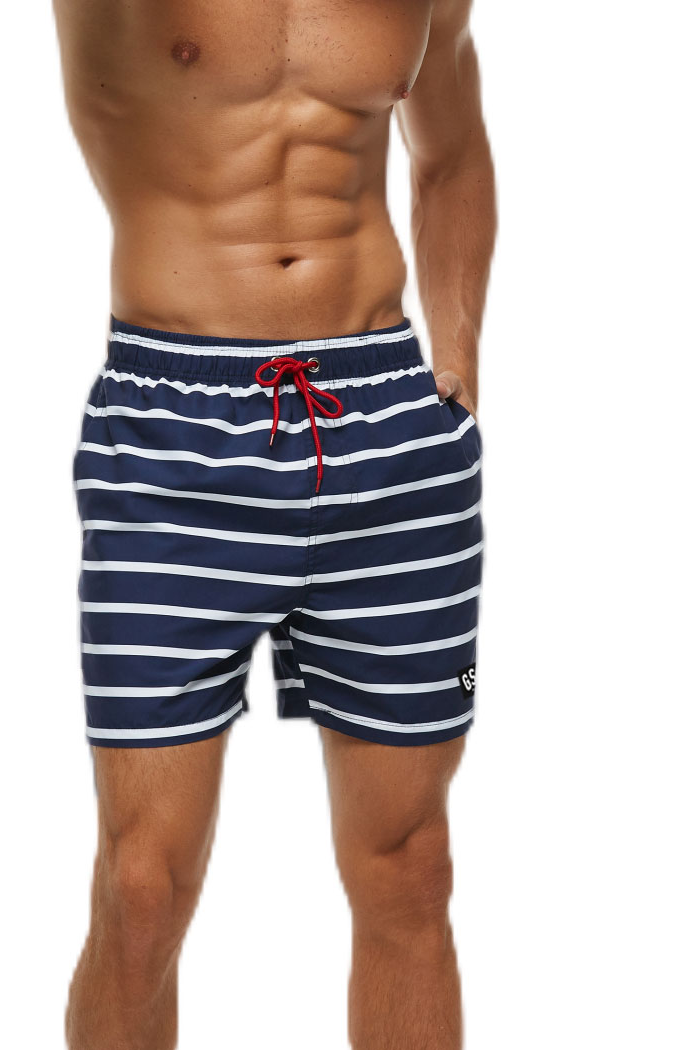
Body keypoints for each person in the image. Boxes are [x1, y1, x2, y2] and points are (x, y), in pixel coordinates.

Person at [52, 0, 496, 1045]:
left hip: (386, 426)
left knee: (411, 866)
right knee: (141, 887)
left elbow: (451, 153)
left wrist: (457, 365)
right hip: (172, 437)